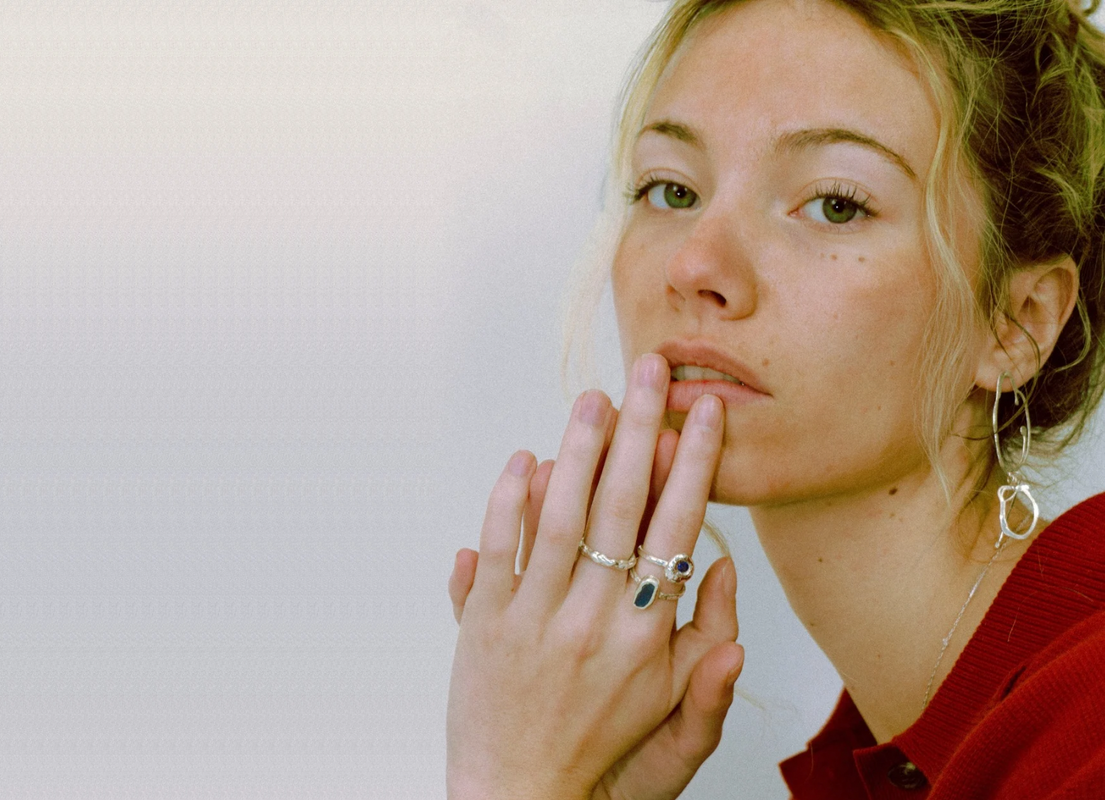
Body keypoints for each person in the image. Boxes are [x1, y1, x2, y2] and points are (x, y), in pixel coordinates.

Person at [443, 0, 1105, 797]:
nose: (694, 265)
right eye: (671, 190)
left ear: (1015, 324)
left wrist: (513, 779)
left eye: (834, 203)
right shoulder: (888, 758)